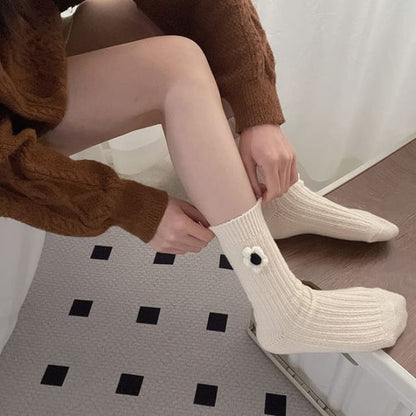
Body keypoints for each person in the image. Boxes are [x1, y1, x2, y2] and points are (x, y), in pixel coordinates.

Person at [0, 0, 407, 354]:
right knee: (175, 66)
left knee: (140, 17)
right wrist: (130, 207)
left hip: (17, 51)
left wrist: (259, 114)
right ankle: (285, 311)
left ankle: (272, 201)